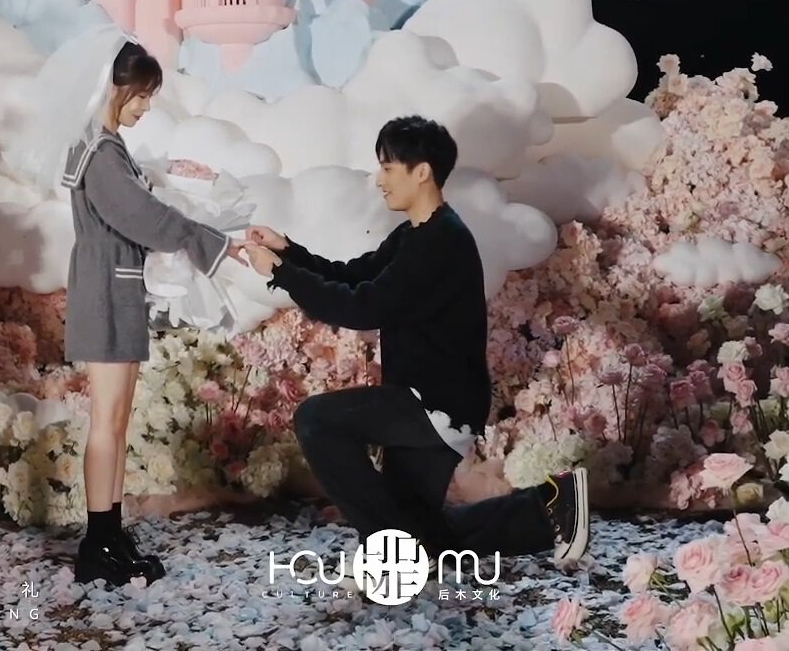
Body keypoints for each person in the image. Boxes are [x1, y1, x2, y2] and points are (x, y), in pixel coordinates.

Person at [238, 115, 590, 569]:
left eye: (388, 167)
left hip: (435, 403)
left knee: (317, 419)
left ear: (421, 171)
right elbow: (353, 277)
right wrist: (287, 252)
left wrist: (281, 274)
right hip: (430, 400)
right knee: (426, 533)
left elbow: (361, 308)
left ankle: (394, 556)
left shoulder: (440, 242)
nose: (379, 180)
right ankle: (552, 505)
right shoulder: (418, 235)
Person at [8, 29, 237, 586]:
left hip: (116, 286)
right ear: (113, 88)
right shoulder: (101, 153)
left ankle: (109, 532)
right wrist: (209, 240)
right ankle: (99, 542)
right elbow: (143, 218)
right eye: (141, 96)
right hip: (106, 291)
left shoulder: (107, 147)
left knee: (115, 420)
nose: (145, 107)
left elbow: (141, 210)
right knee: (107, 421)